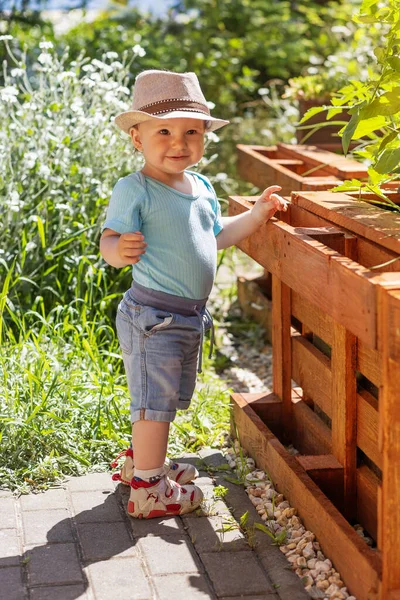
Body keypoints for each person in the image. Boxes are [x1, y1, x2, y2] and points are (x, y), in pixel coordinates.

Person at [100, 69, 287, 519]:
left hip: (185, 318)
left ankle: (140, 462)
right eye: (163, 130)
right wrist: (119, 250)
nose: (178, 141)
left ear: (204, 137)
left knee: (161, 398)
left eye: (191, 131)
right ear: (136, 138)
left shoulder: (201, 188)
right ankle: (148, 488)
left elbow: (215, 237)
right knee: (154, 405)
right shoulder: (135, 188)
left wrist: (258, 215)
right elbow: (108, 242)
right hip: (153, 317)